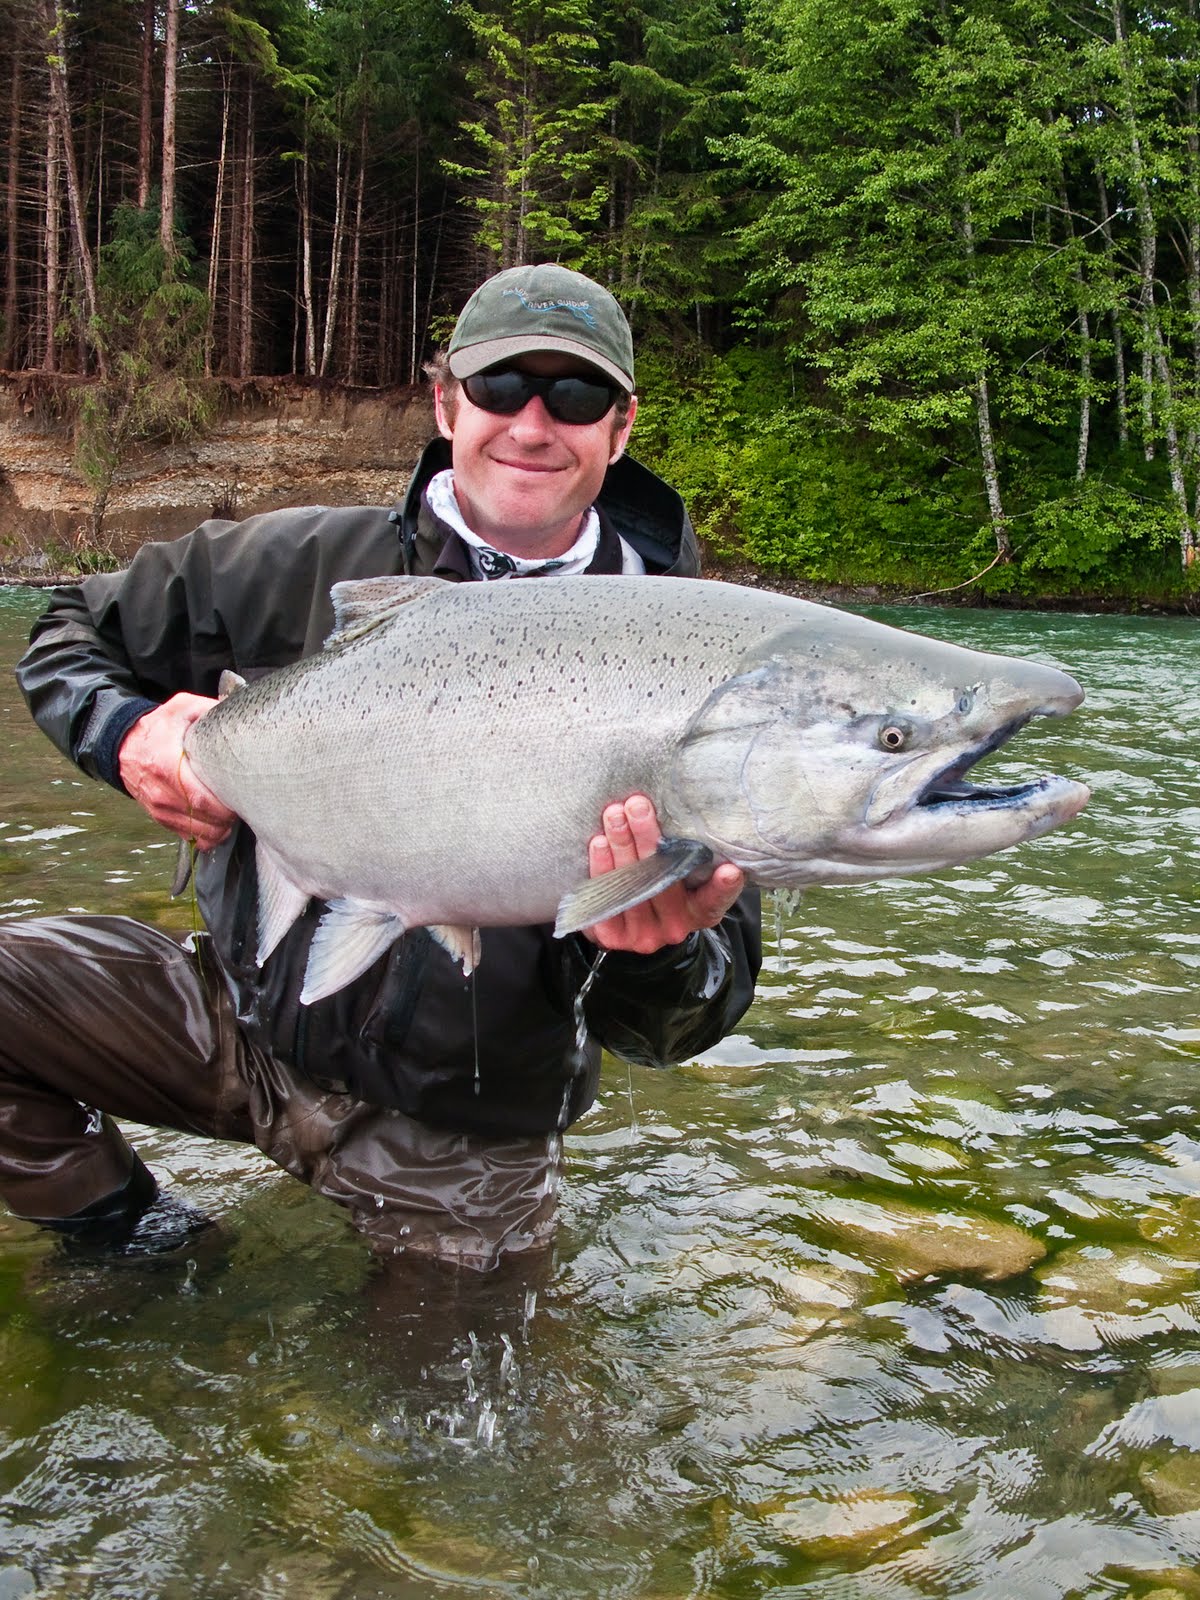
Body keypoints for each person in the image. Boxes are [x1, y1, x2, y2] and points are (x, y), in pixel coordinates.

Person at [3, 263, 762, 1271]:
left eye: (574, 397)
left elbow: (683, 1023)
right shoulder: (296, 567)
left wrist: (655, 949)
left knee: (442, 1430)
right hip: (233, 1021)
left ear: (620, 429)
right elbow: (69, 630)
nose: (533, 425)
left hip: (460, 1133)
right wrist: (129, 735)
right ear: (445, 401)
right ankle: (142, 1249)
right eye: (500, 388)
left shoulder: (709, 662)